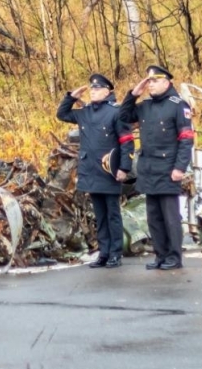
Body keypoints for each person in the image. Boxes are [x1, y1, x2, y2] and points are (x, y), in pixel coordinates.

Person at [119, 65, 194, 271]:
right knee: (154, 217)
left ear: (166, 82)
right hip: (148, 169)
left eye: (154, 81)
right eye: (148, 81)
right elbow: (123, 116)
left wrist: (180, 167)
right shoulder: (145, 105)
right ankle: (160, 255)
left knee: (171, 217)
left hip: (169, 169)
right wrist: (133, 94)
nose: (150, 84)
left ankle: (174, 257)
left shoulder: (178, 105)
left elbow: (186, 139)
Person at [56, 74, 134, 268]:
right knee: (99, 215)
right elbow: (62, 114)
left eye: (97, 89)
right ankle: (104, 252)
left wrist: (124, 167)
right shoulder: (85, 112)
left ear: (108, 92)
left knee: (112, 214)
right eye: (91, 89)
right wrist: (71, 97)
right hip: (90, 170)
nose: (93, 91)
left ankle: (115, 253)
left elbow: (127, 142)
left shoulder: (116, 112)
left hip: (109, 170)